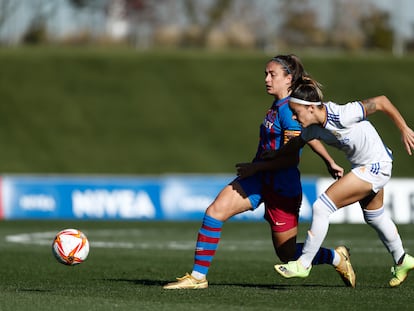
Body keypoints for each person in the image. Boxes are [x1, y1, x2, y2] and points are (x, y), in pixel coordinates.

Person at [163, 54, 355, 290]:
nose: (266, 79)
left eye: (272, 74)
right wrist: (328, 160)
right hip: (258, 178)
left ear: (288, 79)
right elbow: (306, 136)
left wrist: (257, 167)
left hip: (282, 185)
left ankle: (337, 258)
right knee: (215, 212)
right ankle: (198, 277)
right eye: (266, 73)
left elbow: (290, 156)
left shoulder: (289, 111)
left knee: (286, 254)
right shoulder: (279, 106)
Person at [238, 79, 414, 287]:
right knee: (374, 216)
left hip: (377, 165)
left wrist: (404, 129)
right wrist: (275, 154)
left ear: (311, 108)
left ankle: (303, 264)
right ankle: (403, 260)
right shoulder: (312, 129)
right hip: (366, 166)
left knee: (322, 207)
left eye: (296, 112)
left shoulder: (343, 113)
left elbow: (382, 101)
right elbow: (296, 142)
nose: (294, 117)